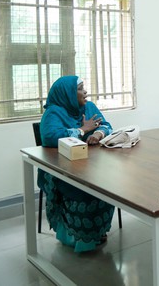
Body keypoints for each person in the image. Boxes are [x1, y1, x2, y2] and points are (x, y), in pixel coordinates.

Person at [37, 75, 115, 252]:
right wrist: (82, 130)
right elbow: (50, 137)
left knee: (108, 186)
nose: (85, 91)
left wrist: (98, 134)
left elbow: (107, 125)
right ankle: (76, 238)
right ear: (68, 94)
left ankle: (97, 232)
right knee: (83, 191)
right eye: (80, 89)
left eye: (84, 87)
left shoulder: (88, 107)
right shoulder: (54, 112)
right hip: (62, 167)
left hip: (91, 164)